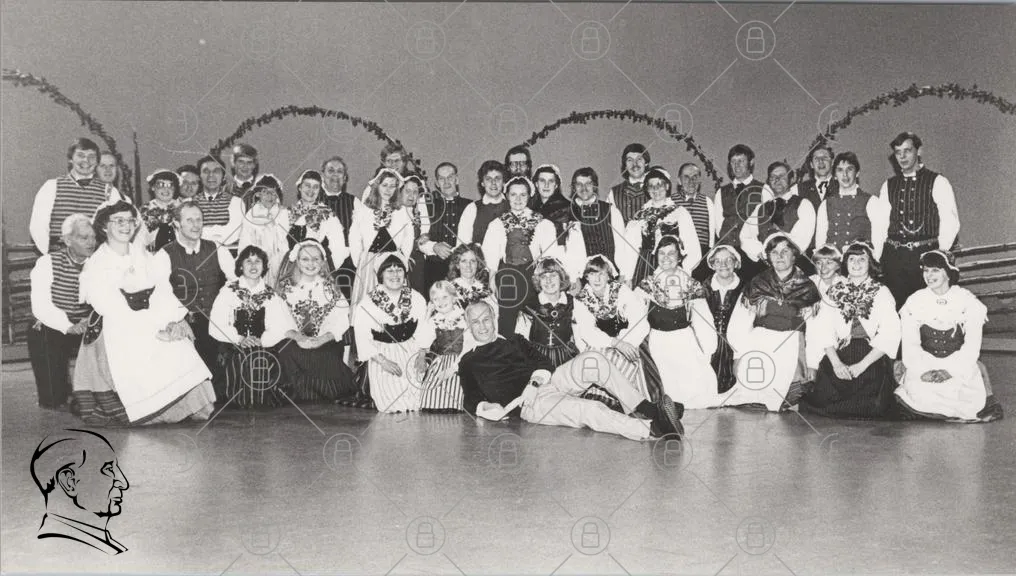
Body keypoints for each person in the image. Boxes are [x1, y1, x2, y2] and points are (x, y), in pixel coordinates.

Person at [458, 300, 684, 441]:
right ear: (469, 326)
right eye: (476, 322)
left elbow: (545, 363)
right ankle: (652, 429)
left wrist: (534, 384)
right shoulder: (468, 361)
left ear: (494, 318)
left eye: (486, 319)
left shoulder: (515, 340)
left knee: (593, 359)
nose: (483, 326)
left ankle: (646, 409)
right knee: (588, 408)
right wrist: (488, 408)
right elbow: (470, 399)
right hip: (530, 405)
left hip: (549, 382)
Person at [74, 200, 216, 425]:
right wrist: (153, 329)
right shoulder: (97, 264)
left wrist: (175, 319)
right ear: (104, 227)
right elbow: (112, 308)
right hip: (117, 327)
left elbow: (162, 290)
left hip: (151, 318)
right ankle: (148, 409)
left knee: (180, 344)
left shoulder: (144, 256)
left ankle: (181, 406)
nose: (126, 226)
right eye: (119, 221)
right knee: (144, 350)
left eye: (130, 220)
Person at [894, 250, 1002, 422]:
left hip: (957, 363)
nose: (929, 276)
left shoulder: (967, 301)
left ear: (948, 273)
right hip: (926, 362)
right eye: (926, 270)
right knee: (919, 389)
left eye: (935, 270)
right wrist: (923, 370)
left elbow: (972, 346)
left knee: (960, 390)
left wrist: (950, 371)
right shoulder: (915, 301)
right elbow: (910, 344)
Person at [801, 242, 900, 419]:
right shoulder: (835, 291)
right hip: (841, 351)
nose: (856, 264)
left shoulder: (881, 292)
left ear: (870, 263)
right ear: (845, 264)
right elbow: (823, 329)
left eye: (862, 259)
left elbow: (890, 334)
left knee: (873, 401)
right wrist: (836, 364)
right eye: (852, 259)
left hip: (871, 353)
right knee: (823, 396)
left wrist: (861, 366)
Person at [726, 233, 821, 412]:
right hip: (760, 342)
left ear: (794, 255)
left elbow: (816, 330)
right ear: (768, 257)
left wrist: (812, 364)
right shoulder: (757, 283)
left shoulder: (807, 287)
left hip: (791, 343)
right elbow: (739, 323)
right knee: (748, 396)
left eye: (785, 251)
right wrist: (738, 355)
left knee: (786, 396)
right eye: (774, 252)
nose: (779, 256)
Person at [154, 202, 236, 397]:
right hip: (186, 321)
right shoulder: (164, 254)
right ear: (177, 224)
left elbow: (235, 282)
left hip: (217, 318)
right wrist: (178, 319)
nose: (195, 225)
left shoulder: (217, 248)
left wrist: (226, 309)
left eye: (199, 219)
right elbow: (161, 293)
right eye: (189, 220)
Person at [872, 132, 960, 308]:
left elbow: (950, 221)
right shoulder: (888, 185)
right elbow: (880, 225)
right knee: (896, 309)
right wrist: (877, 258)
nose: (902, 156)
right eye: (898, 152)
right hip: (894, 259)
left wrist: (939, 255)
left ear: (918, 151)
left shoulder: (938, 181)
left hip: (925, 258)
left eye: (907, 150)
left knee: (927, 309)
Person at [636, 236, 725, 409]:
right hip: (658, 342)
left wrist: (708, 349)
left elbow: (703, 319)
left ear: (679, 257)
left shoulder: (690, 284)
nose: (666, 258)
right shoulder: (647, 285)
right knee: (664, 390)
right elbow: (636, 317)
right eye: (662, 253)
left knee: (695, 392)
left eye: (671, 253)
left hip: (683, 341)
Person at [274, 240, 357, 403]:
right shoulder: (285, 288)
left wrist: (321, 339)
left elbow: (340, 320)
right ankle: (302, 394)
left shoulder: (331, 288)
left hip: (324, 340)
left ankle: (320, 392)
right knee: (287, 350)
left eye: (315, 259)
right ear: (297, 261)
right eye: (305, 259)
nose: (310, 264)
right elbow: (279, 320)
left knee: (325, 356)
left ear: (323, 262)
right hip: (295, 341)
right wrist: (299, 338)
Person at [209, 246, 291, 409]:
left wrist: (261, 341)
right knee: (240, 358)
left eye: (258, 261)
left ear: (264, 266)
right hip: (232, 344)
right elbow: (216, 324)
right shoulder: (228, 292)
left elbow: (278, 326)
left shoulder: (271, 295)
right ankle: (238, 398)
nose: (253, 265)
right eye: (248, 261)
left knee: (262, 357)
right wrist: (239, 339)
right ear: (240, 266)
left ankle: (261, 399)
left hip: (263, 344)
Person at [352, 253, 435, 413]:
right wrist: (383, 362)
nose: (395, 275)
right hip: (382, 354)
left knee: (419, 399)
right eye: (389, 271)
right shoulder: (368, 303)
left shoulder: (416, 298)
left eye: (399, 270)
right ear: (380, 275)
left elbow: (423, 328)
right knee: (393, 403)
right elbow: (362, 337)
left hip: (410, 349)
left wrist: (421, 355)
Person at [28, 214, 96, 410]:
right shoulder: (47, 262)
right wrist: (67, 326)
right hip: (56, 324)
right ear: (67, 240)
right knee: (40, 331)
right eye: (84, 237)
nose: (91, 242)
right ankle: (55, 395)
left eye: (93, 237)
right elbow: (41, 305)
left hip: (89, 323)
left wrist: (91, 319)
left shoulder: (100, 262)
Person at [482, 176, 560, 337]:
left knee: (540, 315)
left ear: (530, 196)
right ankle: (506, 348)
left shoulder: (542, 223)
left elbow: (549, 255)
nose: (518, 199)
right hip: (508, 274)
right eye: (513, 194)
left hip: (533, 275)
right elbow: (491, 255)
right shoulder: (497, 224)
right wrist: (492, 279)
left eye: (523, 195)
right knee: (507, 318)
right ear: (507, 196)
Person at [573, 255, 657, 401]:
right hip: (600, 344)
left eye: (601, 274)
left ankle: (636, 401)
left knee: (629, 360)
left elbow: (639, 320)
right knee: (601, 361)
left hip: (630, 340)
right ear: (586, 277)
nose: (597, 279)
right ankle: (607, 399)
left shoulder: (621, 290)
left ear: (608, 276)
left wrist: (625, 342)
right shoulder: (581, 299)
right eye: (592, 274)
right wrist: (616, 344)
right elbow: (587, 332)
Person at [31, 430, 129, 554]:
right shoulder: (66, 550)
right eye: (108, 469)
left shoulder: (105, 544)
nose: (124, 483)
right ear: (69, 482)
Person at [30, 137, 124, 254]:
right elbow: (38, 226)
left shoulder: (109, 192)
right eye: (80, 155)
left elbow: (118, 227)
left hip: (94, 258)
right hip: (58, 254)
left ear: (97, 161)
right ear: (71, 159)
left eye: (91, 157)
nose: (86, 161)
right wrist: (49, 256)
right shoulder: (52, 186)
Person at [620, 167, 700, 288]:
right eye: (651, 186)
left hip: (671, 265)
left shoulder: (680, 213)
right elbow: (631, 248)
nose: (655, 189)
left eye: (659, 185)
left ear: (667, 186)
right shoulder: (640, 216)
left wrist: (684, 270)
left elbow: (693, 248)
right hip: (645, 267)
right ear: (647, 189)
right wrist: (627, 276)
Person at [348, 168, 414, 306]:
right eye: (384, 185)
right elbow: (354, 237)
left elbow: (408, 237)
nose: (388, 190)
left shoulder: (401, 211)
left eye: (392, 186)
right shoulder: (364, 211)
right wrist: (360, 261)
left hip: (392, 262)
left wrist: (403, 259)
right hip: (369, 263)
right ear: (377, 186)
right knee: (369, 300)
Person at [740, 161, 816, 275]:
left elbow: (803, 236)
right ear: (769, 182)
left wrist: (783, 254)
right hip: (764, 266)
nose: (777, 180)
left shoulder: (803, 204)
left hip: (795, 266)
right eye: (773, 177)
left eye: (782, 176)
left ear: (791, 179)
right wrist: (760, 252)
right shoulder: (760, 208)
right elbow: (745, 235)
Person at [562, 167, 627, 283]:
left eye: (588, 184)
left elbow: (621, 246)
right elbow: (566, 253)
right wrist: (574, 279)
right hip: (580, 280)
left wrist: (623, 274)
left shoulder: (610, 210)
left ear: (595, 186)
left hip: (610, 277)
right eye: (579, 184)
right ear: (573, 188)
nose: (584, 188)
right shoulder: (566, 213)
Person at [418, 281, 473, 413]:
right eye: (435, 299)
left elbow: (469, 344)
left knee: (456, 386)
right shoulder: (435, 320)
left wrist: (454, 367)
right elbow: (423, 340)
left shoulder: (464, 318)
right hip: (442, 360)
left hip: (461, 360)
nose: (440, 302)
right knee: (430, 391)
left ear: (454, 298)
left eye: (444, 297)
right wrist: (428, 314)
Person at [713, 144, 767, 278]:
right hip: (728, 254)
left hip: (752, 254)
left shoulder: (764, 189)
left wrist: (755, 248)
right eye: (733, 162)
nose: (737, 165)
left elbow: (766, 223)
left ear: (751, 162)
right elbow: (719, 225)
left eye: (741, 161)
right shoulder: (721, 192)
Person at [815, 152, 881, 255]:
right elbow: (820, 242)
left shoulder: (872, 201)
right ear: (835, 175)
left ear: (857, 173)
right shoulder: (826, 204)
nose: (845, 174)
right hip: (832, 261)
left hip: (859, 261)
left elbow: (879, 239)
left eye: (849, 169)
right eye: (840, 170)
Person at [518, 258, 577, 368]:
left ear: (561, 278)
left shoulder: (573, 303)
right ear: (538, 281)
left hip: (566, 357)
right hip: (537, 357)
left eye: (553, 275)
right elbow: (521, 340)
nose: (548, 281)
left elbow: (581, 335)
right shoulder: (530, 306)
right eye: (543, 277)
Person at [287, 170, 348, 277]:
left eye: (315, 187)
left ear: (320, 190)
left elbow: (339, 248)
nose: (311, 190)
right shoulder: (288, 213)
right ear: (300, 187)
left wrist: (326, 269)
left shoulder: (328, 215)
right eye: (307, 185)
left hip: (317, 272)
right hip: (291, 271)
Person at [423, 162, 471, 294]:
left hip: (462, 269)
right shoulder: (427, 205)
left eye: (450, 177)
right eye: (441, 178)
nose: (446, 182)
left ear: (457, 179)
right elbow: (419, 238)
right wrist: (433, 247)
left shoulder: (470, 205)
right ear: (437, 183)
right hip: (434, 269)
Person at [701, 245, 744, 395]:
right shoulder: (703, 288)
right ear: (712, 265)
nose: (723, 265)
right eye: (718, 261)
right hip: (708, 341)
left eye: (728, 260)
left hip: (736, 343)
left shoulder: (746, 288)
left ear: (736, 263)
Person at [320, 155, 363, 300]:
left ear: (344, 178)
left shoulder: (354, 202)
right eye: (330, 170)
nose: (335, 175)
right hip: (318, 263)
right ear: (322, 175)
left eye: (339, 172)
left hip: (347, 266)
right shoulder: (313, 199)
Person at [238, 174, 290, 286]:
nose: (270, 196)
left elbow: (284, 239)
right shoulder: (251, 215)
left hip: (278, 260)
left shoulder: (283, 213)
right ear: (258, 194)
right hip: (258, 260)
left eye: (273, 193)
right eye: (265, 192)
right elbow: (245, 241)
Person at [673, 163, 717, 281]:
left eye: (695, 177)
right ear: (679, 180)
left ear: (699, 181)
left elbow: (711, 235)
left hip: (702, 256)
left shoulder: (707, 202)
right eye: (686, 177)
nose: (691, 181)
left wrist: (709, 255)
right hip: (678, 255)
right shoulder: (671, 202)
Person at [193, 155, 243, 247]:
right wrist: (220, 231)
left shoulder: (236, 202)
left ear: (223, 176)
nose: (211, 175)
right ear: (199, 176)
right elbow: (189, 231)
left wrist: (203, 231)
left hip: (228, 252)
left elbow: (234, 233)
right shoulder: (191, 203)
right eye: (206, 171)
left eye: (216, 171)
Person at [458, 160, 509, 246]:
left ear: (504, 182)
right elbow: (462, 243)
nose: (493, 183)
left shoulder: (514, 207)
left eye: (497, 178)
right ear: (482, 183)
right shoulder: (472, 208)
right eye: (488, 179)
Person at [447, 243, 498, 318]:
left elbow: (495, 315)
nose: (468, 265)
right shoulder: (449, 289)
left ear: (478, 264)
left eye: (473, 261)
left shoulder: (485, 290)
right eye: (464, 261)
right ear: (457, 265)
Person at [401, 175, 432, 295]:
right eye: (407, 191)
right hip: (400, 264)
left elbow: (425, 231)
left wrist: (425, 235)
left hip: (417, 265)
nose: (411, 195)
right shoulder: (393, 214)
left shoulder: (417, 213)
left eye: (415, 192)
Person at [606, 143, 650, 224]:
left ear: (646, 163)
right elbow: (608, 223)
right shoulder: (614, 193)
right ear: (625, 165)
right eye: (630, 160)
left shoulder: (657, 189)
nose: (635, 164)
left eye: (639, 159)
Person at [529, 164, 572, 247]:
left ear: (556, 185)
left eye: (551, 181)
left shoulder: (568, 208)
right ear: (536, 184)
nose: (546, 185)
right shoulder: (530, 208)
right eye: (542, 181)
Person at [138, 169, 180, 252]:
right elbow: (139, 239)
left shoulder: (182, 208)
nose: (166, 189)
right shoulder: (143, 211)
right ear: (153, 187)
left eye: (170, 185)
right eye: (161, 185)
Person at [791, 145, 838, 212]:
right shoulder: (797, 189)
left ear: (832, 162)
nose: (821, 161)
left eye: (825, 157)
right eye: (816, 158)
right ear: (811, 164)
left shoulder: (843, 187)